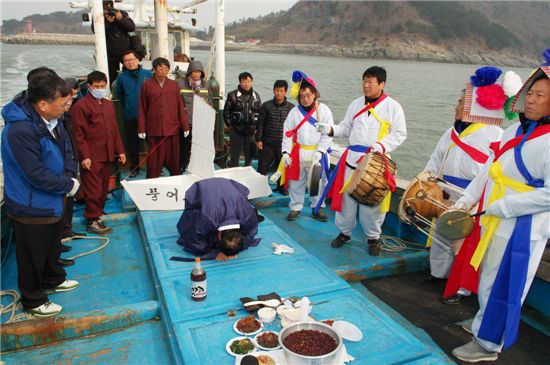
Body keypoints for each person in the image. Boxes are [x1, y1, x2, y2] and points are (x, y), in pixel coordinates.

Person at [450, 55, 550, 363]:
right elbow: (489, 170)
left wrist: (506, 205)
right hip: (496, 217)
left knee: (506, 283)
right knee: (489, 275)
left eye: (540, 95)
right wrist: (467, 199)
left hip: (523, 226)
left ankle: (489, 344)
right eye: (530, 93)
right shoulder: (514, 131)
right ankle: (483, 324)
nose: (531, 99)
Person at [423, 71, 508, 304]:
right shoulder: (451, 132)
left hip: (472, 195)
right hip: (444, 191)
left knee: (464, 244)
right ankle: (438, 273)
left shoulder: (495, 133)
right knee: (441, 235)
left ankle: (462, 289)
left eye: (461, 102)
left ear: (473, 105)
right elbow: (436, 158)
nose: (457, 106)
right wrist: (427, 179)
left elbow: (494, 173)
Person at [1, 69, 80, 317]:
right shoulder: (19, 131)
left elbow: (67, 149)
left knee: (51, 244)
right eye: (61, 103)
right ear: (43, 104)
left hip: (53, 198)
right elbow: (34, 173)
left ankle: (53, 278)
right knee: (32, 254)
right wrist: (67, 186)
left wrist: (69, 175)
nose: (66, 107)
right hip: (31, 204)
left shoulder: (54, 120)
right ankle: (33, 299)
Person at [317, 66, 407, 256]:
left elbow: (400, 134)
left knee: (371, 206)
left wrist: (381, 146)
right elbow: (346, 129)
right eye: (364, 81)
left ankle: (373, 238)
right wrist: (328, 129)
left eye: (370, 82)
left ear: (382, 84)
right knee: (346, 203)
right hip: (351, 162)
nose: (366, 86)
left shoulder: (393, 107)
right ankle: (344, 233)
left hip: (375, 164)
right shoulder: (355, 104)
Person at [72, 71, 126, 234]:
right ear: (89, 87)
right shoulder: (80, 107)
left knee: (103, 187)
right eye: (97, 86)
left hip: (108, 153)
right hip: (92, 156)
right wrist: (85, 156)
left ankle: (98, 212)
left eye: (103, 86)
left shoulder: (108, 105)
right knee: (93, 188)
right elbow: (79, 134)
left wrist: (120, 151)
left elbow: (114, 130)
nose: (100, 89)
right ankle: (92, 218)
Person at [281, 72, 333, 222]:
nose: (306, 99)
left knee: (317, 183)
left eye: (309, 95)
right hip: (298, 152)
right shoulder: (294, 112)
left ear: (315, 94)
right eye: (302, 96)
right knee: (296, 182)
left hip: (317, 153)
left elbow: (328, 134)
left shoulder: (324, 111)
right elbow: (287, 134)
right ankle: (295, 207)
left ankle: (317, 208)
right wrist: (285, 153)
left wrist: (320, 152)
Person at [176, 178, 261, 261]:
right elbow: (193, 238)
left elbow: (251, 232)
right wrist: (212, 253)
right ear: (219, 236)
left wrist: (236, 248)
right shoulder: (207, 218)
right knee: (192, 224)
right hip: (203, 188)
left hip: (228, 186)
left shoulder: (247, 214)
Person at [138, 57, 189, 178]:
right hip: (154, 129)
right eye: (160, 69)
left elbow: (180, 106)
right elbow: (142, 107)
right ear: (154, 69)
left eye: (166, 69)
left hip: (172, 127)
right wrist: (141, 128)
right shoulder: (147, 85)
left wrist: (185, 126)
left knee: (174, 158)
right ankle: (152, 181)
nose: (163, 71)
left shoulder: (174, 85)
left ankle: (175, 180)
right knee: (154, 159)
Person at [115, 50, 153, 177]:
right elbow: (119, 95)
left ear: (138, 60)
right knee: (132, 143)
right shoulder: (121, 78)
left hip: (148, 116)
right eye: (126, 61)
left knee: (151, 141)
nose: (130, 62)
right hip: (131, 115)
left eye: (132, 59)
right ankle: (134, 168)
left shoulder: (148, 74)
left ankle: (155, 166)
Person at [256, 80, 295, 194]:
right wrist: (259, 139)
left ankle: (281, 187)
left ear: (285, 92)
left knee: (282, 166)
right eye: (276, 90)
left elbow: (294, 127)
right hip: (267, 142)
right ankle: (260, 187)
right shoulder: (266, 106)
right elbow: (260, 123)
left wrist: (293, 143)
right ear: (273, 90)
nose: (278, 93)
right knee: (262, 166)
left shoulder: (291, 108)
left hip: (283, 143)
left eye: (281, 91)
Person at [178, 60, 212, 172]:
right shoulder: (180, 83)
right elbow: (176, 103)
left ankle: (196, 167)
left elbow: (210, 102)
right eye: (194, 72)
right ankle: (182, 165)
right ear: (189, 72)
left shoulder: (206, 84)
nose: (196, 74)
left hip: (200, 122)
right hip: (186, 122)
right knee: (184, 146)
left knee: (198, 147)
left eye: (199, 72)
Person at [223, 72, 262, 167]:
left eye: (248, 81)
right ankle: (233, 174)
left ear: (252, 82)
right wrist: (230, 126)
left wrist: (257, 128)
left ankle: (247, 173)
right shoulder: (232, 95)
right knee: (234, 156)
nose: (246, 84)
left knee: (249, 157)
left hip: (251, 131)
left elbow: (260, 114)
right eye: (244, 82)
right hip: (236, 130)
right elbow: (226, 112)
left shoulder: (256, 96)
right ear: (240, 82)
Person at [92, 2, 136, 83]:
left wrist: (121, 19)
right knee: (111, 76)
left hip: (125, 50)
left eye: (109, 7)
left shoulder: (121, 13)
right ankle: (113, 91)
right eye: (105, 8)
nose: (107, 10)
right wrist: (108, 22)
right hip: (110, 52)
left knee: (130, 71)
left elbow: (132, 27)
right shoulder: (98, 16)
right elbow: (95, 30)